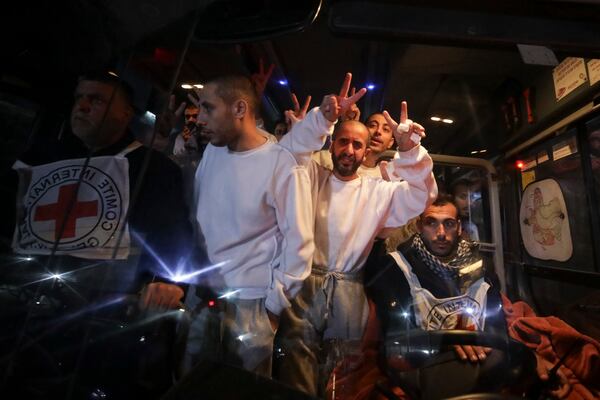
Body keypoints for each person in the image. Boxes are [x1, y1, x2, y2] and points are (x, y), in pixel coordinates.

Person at [2, 72, 192, 398]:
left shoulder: (152, 169)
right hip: (22, 303)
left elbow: (170, 233)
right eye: (79, 98)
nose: (83, 106)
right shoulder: (38, 158)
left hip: (101, 314)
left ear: (125, 113)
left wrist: (167, 281)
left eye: (97, 100)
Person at [275, 73, 437, 396]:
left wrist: (410, 152)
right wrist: (322, 119)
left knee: (342, 372)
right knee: (296, 364)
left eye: (357, 145)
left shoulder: (379, 191)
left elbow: (422, 197)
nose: (349, 150)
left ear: (365, 153)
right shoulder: (310, 175)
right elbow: (285, 156)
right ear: (332, 144)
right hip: (304, 284)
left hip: (349, 288)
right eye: (343, 141)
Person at [188, 74, 314, 378]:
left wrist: (271, 309)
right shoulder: (212, 152)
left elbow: (300, 244)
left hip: (251, 303)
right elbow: (199, 216)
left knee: (244, 390)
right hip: (203, 294)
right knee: (193, 384)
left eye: (208, 109)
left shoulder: (282, 164)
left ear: (239, 109)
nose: (200, 119)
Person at [363, 194, 509, 398]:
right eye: (431, 223)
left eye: (448, 224)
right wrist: (447, 342)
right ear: (420, 226)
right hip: (425, 366)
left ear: (459, 227)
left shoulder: (482, 267)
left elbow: (497, 325)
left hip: (482, 361)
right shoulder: (396, 268)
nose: (441, 233)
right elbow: (396, 341)